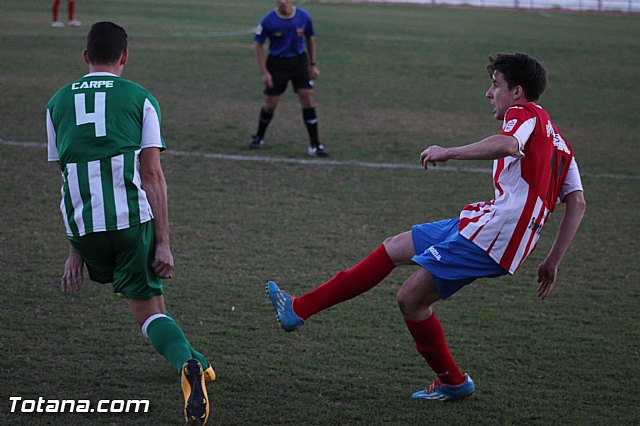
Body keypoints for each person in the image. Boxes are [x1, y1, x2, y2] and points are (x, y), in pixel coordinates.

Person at [267, 52, 586, 401]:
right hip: (486, 223)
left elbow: (509, 145)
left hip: (495, 236)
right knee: (393, 248)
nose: (488, 93)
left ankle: (453, 380)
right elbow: (578, 202)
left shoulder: (522, 114)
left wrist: (448, 151)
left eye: (495, 85)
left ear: (518, 92)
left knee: (410, 300)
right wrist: (551, 261)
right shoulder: (561, 144)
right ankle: (298, 309)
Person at [46, 22, 214, 424]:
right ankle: (188, 366)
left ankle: (198, 362)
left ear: (86, 57)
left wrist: (74, 249)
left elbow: (68, 174)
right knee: (147, 310)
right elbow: (152, 174)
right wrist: (164, 241)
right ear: (124, 57)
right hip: (128, 220)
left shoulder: (55, 103)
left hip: (83, 227)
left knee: (152, 299)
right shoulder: (140, 98)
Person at [249, 0, 327, 157]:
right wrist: (264, 72)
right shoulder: (268, 20)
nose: (283, 2)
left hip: (299, 61)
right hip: (277, 63)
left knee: (307, 97)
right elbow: (258, 45)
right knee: (271, 104)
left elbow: (310, 38)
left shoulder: (303, 17)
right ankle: (259, 136)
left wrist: (313, 64)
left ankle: (315, 145)